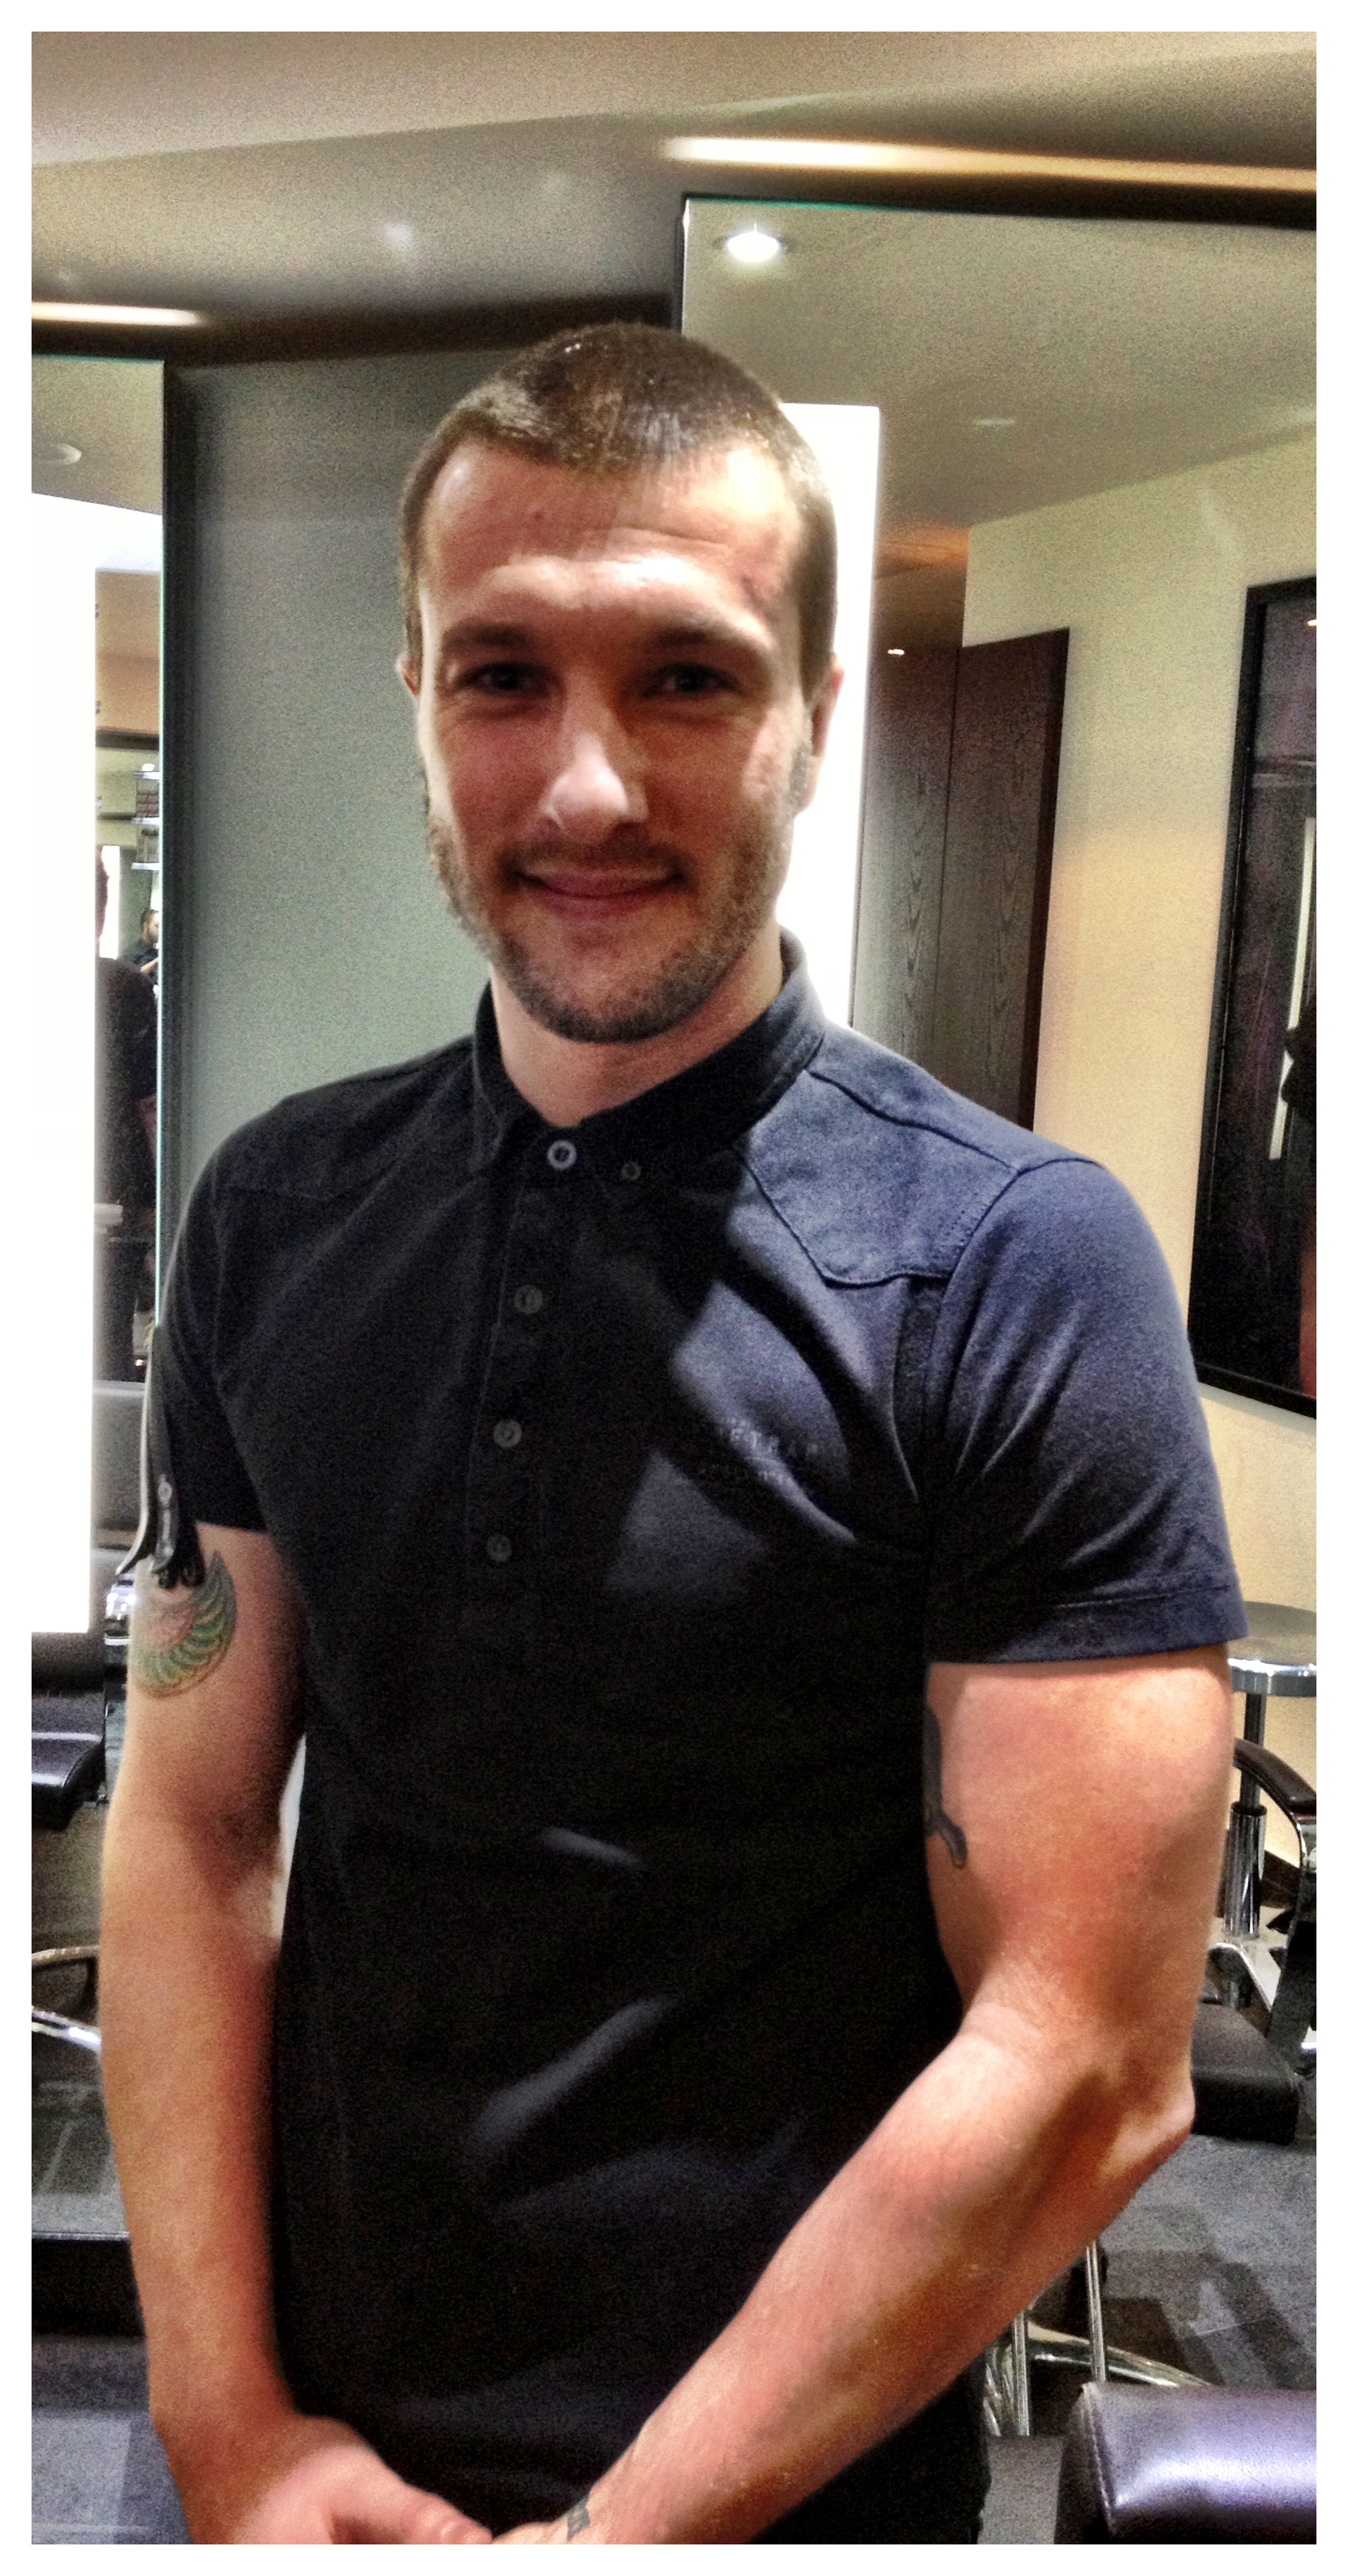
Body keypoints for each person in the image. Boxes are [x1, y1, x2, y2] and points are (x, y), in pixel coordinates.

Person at [99, 324, 1241, 2546]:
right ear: (416, 701)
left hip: (772, 2499)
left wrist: (615, 2542)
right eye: (501, 676)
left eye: (688, 679)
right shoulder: (274, 1209)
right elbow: (198, 1826)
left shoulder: (1010, 1267)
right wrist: (224, 2419)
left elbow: (1086, 2060)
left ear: (813, 709)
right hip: (295, 2465)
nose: (586, 789)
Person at [95, 858, 157, 1380]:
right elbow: (149, 1105)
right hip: (113, 1203)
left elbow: (148, 1103)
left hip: (113, 1204)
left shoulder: (124, 988)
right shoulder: (123, 987)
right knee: (105, 1348)